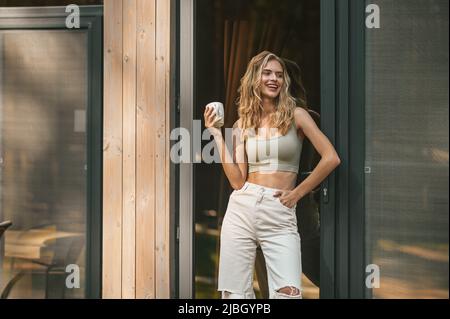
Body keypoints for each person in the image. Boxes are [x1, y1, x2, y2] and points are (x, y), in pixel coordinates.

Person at [204, 51, 340, 299]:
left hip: (279, 209)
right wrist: (215, 133)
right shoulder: (241, 124)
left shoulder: (298, 115)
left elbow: (331, 158)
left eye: (279, 74)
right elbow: (237, 180)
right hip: (242, 208)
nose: (274, 79)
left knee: (288, 292)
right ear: (255, 78)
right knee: (234, 294)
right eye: (267, 73)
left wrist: (297, 193)